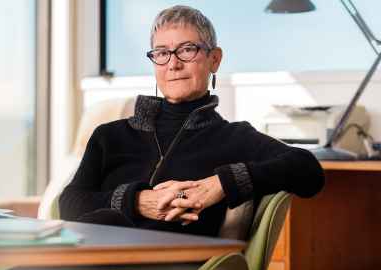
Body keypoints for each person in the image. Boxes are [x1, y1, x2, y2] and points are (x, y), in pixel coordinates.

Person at [59, 5, 324, 239]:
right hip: (93, 253)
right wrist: (138, 201)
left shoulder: (234, 138)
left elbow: (308, 170)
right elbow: (69, 204)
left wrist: (221, 183)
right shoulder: (110, 136)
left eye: (187, 49)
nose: (173, 64)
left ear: (214, 59)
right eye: (162, 53)